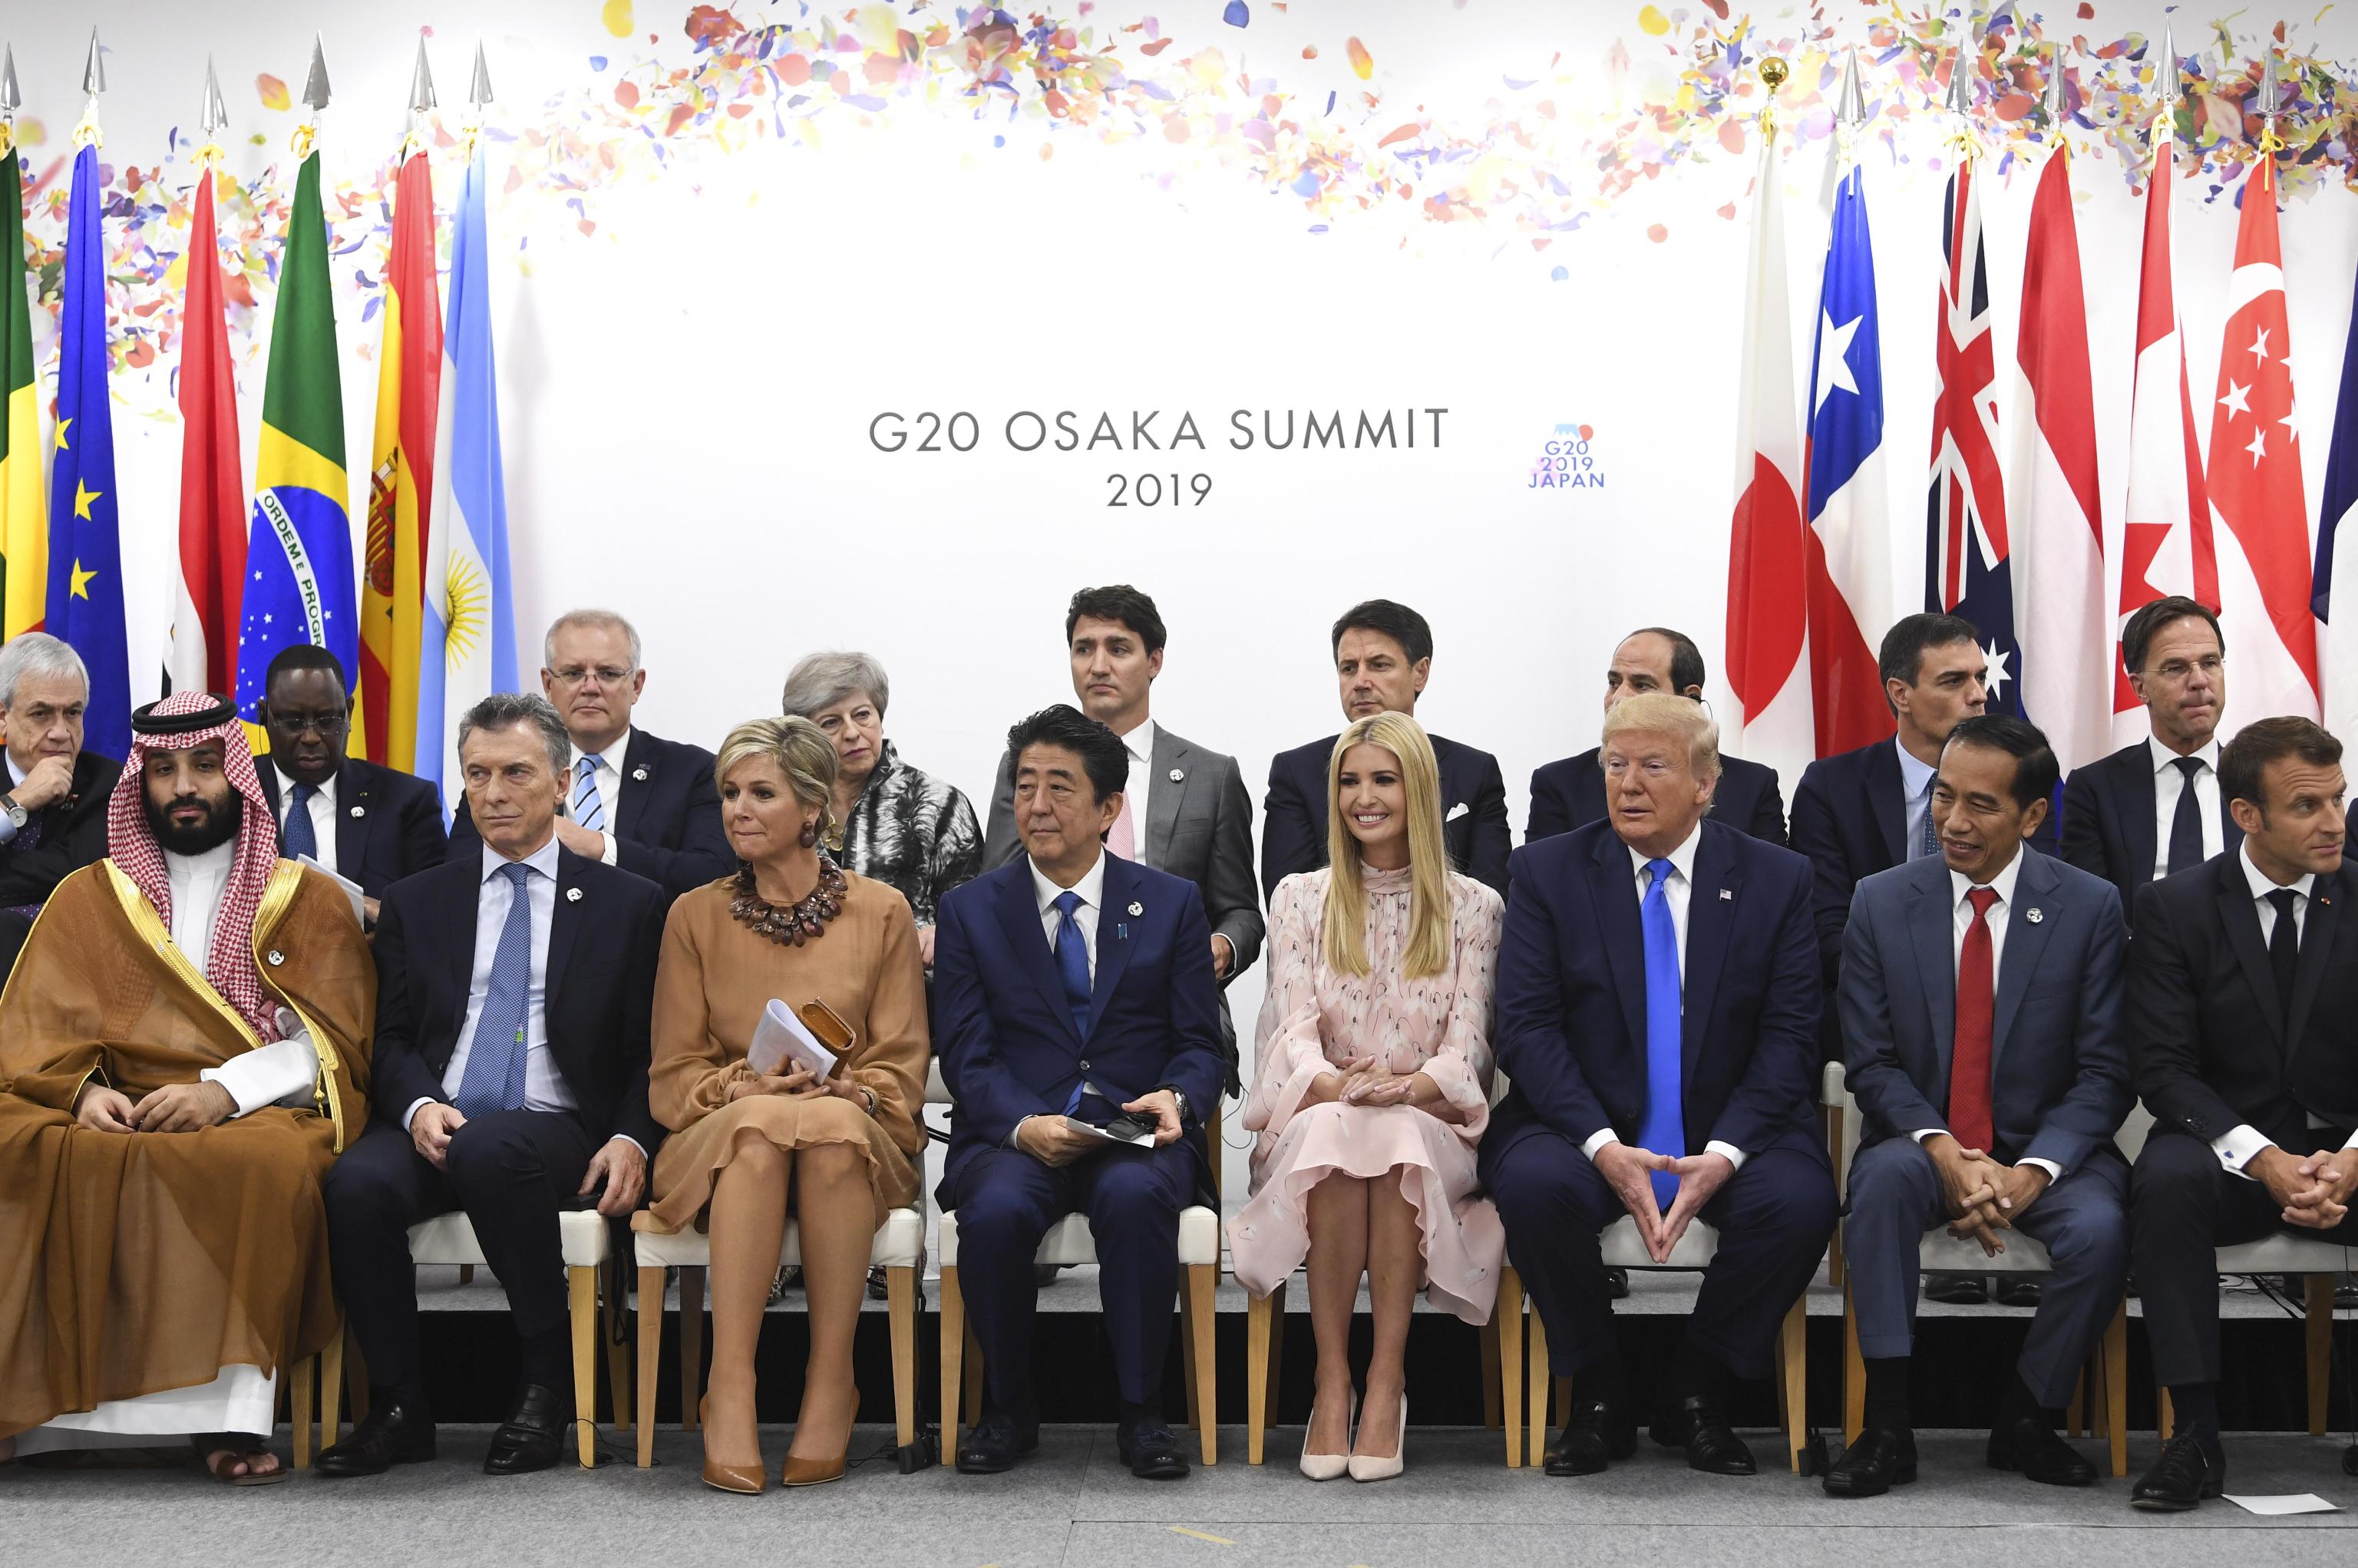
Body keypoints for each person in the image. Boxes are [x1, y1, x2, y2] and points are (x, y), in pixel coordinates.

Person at [0, 692, 373, 1482]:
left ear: (237, 774)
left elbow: (332, 1040)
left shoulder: (301, 895)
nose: (184, 787)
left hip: (255, 1107)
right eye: (163, 770)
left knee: (258, 1166)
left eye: (205, 765)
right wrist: (79, 1094)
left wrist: (223, 1093)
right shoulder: (90, 895)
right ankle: (38, 1416)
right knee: (22, 1142)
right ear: (140, 782)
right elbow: (36, 1029)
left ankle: (224, 1420)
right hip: (116, 1100)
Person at [1481, 692, 1836, 1478]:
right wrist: (1605, 1147)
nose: (1628, 785)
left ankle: (1696, 1388)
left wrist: (1727, 1153)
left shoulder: (1776, 878)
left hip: (1732, 1120)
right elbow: (1528, 1031)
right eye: (1615, 765)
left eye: (1652, 766)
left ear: (1705, 784)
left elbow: (1789, 1037)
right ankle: (1599, 1388)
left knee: (1799, 1201)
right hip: (1582, 1120)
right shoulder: (1548, 871)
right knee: (1537, 1186)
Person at [315, 693, 667, 1480]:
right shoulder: (419, 900)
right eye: (477, 774)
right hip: (438, 1115)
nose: (495, 792)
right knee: (355, 1185)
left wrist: (630, 1137)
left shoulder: (629, 903)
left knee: (494, 1150)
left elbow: (655, 1049)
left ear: (561, 780)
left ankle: (546, 1385)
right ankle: (399, 1405)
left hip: (553, 1121)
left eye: (516, 772)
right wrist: (413, 1107)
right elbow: (394, 1037)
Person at [1825, 715, 2131, 1497]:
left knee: (2101, 1228)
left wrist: (2030, 1172)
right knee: (1884, 1187)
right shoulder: (1880, 902)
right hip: (1919, 1142)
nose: (1954, 822)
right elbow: (1873, 1062)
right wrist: (1941, 1149)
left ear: (2033, 816)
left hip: (2045, 1150)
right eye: (1945, 797)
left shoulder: (2091, 908)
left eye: (1982, 806)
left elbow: (2104, 1071)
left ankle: (2028, 1414)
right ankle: (1888, 1422)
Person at [934, 705, 1224, 1481]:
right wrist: (1023, 1123)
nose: (1037, 804)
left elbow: (1202, 1042)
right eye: (1025, 785)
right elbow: (966, 1050)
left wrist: (1179, 1098)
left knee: (1134, 1202)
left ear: (1107, 808)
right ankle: (1009, 1409)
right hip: (1016, 1129)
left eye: (1060, 788)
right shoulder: (971, 910)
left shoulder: (1169, 904)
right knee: (993, 1213)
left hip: (1131, 1126)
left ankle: (1142, 1413)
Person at [647, 716, 929, 1494]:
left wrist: (853, 1088)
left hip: (854, 1131)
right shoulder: (691, 916)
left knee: (834, 1130)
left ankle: (831, 1376)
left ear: (812, 809)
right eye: (730, 793)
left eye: (760, 793)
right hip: (720, 1132)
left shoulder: (882, 913)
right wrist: (741, 1084)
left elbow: (901, 1065)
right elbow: (672, 1078)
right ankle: (729, 1383)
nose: (737, 808)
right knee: (763, 1130)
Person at [1230, 712, 1503, 1482]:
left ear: (1417, 789)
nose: (1363, 797)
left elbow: (1471, 1042)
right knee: (1339, 1135)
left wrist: (1408, 1088)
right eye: (1350, 781)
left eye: (1383, 779)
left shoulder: (1474, 905)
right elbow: (1291, 1028)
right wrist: (1337, 1085)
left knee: (1395, 1138)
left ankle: (1385, 1379)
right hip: (1320, 1114)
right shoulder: (1299, 897)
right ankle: (1331, 1378)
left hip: (1429, 1124)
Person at [2124, 716, 2358, 1511]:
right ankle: (2194, 1434)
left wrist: (2352, 1159)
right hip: (2227, 1147)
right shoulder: (2173, 908)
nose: (2334, 823)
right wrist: (2263, 1158)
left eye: (2339, 799)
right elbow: (2162, 1069)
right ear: (2247, 815)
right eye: (2308, 807)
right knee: (2165, 1180)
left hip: (2344, 1152)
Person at [1792, 615, 2021, 1308]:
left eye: (1981, 677)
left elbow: (2044, 918)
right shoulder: (1832, 786)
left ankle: (1991, 1196)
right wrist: (1923, 993)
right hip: (1875, 1016)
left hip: (1998, 1008)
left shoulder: (2024, 777)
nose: (1978, 693)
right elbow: (1824, 930)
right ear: (1900, 692)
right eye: (1954, 681)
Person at [982, 586, 1264, 1085]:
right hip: (1049, 1003)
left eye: (1118, 648)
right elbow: (998, 889)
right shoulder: (1027, 764)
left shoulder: (1210, 775)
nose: (1097, 665)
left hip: (1168, 1008)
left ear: (1154, 660)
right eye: (1084, 648)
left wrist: (1219, 945)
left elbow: (1241, 909)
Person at [448, 609, 730, 901]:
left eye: (608, 674)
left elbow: (713, 876)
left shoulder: (692, 771)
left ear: (636, 685)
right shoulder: (502, 773)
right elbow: (459, 873)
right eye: (573, 673)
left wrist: (599, 847)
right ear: (548, 684)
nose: (590, 688)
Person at [1263, 599, 1511, 900]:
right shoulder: (1297, 772)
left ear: (1420, 673)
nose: (1360, 682)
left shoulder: (1474, 771)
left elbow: (1493, 906)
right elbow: (1287, 906)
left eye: (1379, 665)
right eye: (1348, 668)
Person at [784, 649, 983, 967]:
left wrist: (940, 932)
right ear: (806, 735)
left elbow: (978, 914)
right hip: (806, 987)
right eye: (831, 722)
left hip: (913, 985)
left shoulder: (937, 802)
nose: (852, 733)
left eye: (862, 715)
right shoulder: (787, 808)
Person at [2059, 596, 2237, 916]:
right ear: (2140, 687)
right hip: (2137, 959)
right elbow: (2090, 911)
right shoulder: (2095, 789)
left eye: (2210, 662)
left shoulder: (2257, 780)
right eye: (2176, 668)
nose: (2199, 681)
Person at [1527, 626, 1786, 846]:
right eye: (1614, 682)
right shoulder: (1560, 785)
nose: (1618, 698)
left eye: (1642, 685)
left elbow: (1772, 890)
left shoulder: (1752, 787)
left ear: (1690, 698)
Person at [254, 644, 447, 926]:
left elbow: (437, 908)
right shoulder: (234, 791)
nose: (310, 736)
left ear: (349, 712)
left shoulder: (406, 801)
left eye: (327, 720)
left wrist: (388, 922)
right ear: (264, 715)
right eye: (293, 721)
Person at [0, 632, 122, 972]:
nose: (60, 732)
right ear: (2, 716)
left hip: (76, 965)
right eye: (41, 714)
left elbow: (75, 877)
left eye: (72, 713)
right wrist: (17, 802)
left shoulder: (110, 782)